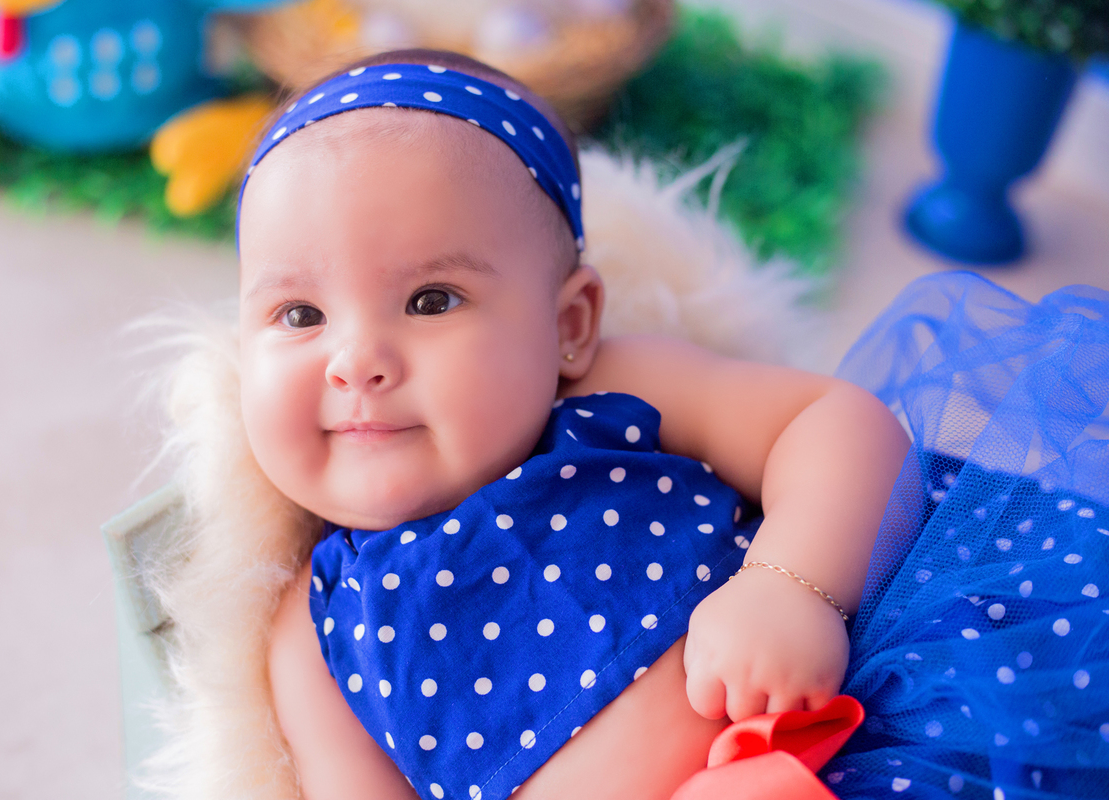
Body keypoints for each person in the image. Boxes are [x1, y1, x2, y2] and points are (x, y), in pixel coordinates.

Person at [237, 48, 907, 800]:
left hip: (853, 736)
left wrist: (793, 588)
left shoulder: (606, 396)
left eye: (431, 300)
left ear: (569, 324)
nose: (356, 361)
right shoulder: (312, 626)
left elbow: (835, 422)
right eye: (300, 315)